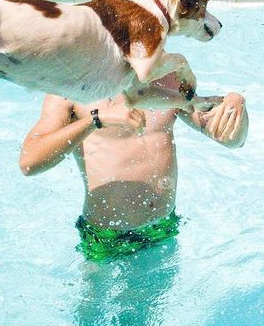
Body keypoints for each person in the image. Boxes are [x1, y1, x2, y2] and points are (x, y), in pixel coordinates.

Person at [19, 71, 248, 262]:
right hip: (105, 236)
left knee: (148, 315)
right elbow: (29, 162)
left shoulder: (168, 81)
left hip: (162, 228)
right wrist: (96, 120)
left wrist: (235, 105)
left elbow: (231, 140)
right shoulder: (73, 86)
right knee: (92, 313)